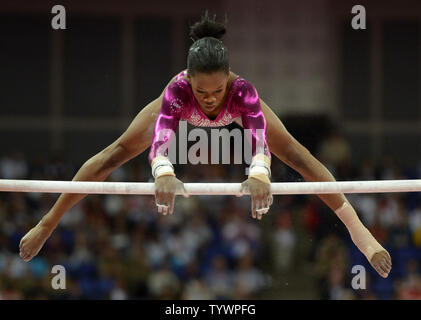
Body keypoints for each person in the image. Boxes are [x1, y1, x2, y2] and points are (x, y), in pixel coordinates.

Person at [19, 12, 391, 279]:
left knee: (296, 154)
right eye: (202, 90)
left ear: (229, 79)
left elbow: (259, 136)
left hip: (241, 116)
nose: (210, 99)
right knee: (115, 153)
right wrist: (163, 171)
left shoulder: (242, 92)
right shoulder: (178, 91)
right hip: (178, 113)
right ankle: (47, 222)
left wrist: (260, 172)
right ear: (188, 80)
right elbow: (162, 136)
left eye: (217, 90)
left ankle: (360, 233)